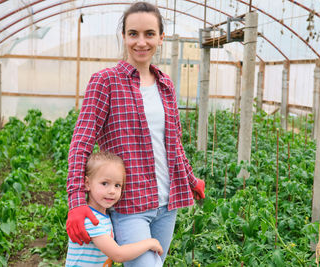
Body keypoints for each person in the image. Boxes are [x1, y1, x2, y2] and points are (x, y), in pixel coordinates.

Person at [66, 2, 205, 266]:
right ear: (124, 36)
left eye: (149, 34)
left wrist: (190, 179)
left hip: (168, 203)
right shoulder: (105, 81)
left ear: (161, 38)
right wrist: (75, 201)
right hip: (130, 204)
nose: (141, 42)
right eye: (133, 34)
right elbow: (81, 141)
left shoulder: (166, 85)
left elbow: (173, 143)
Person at [65, 151, 163, 267]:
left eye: (117, 185)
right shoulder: (91, 219)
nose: (112, 191)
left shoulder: (104, 216)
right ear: (87, 183)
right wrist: (150, 243)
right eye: (105, 183)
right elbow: (118, 255)